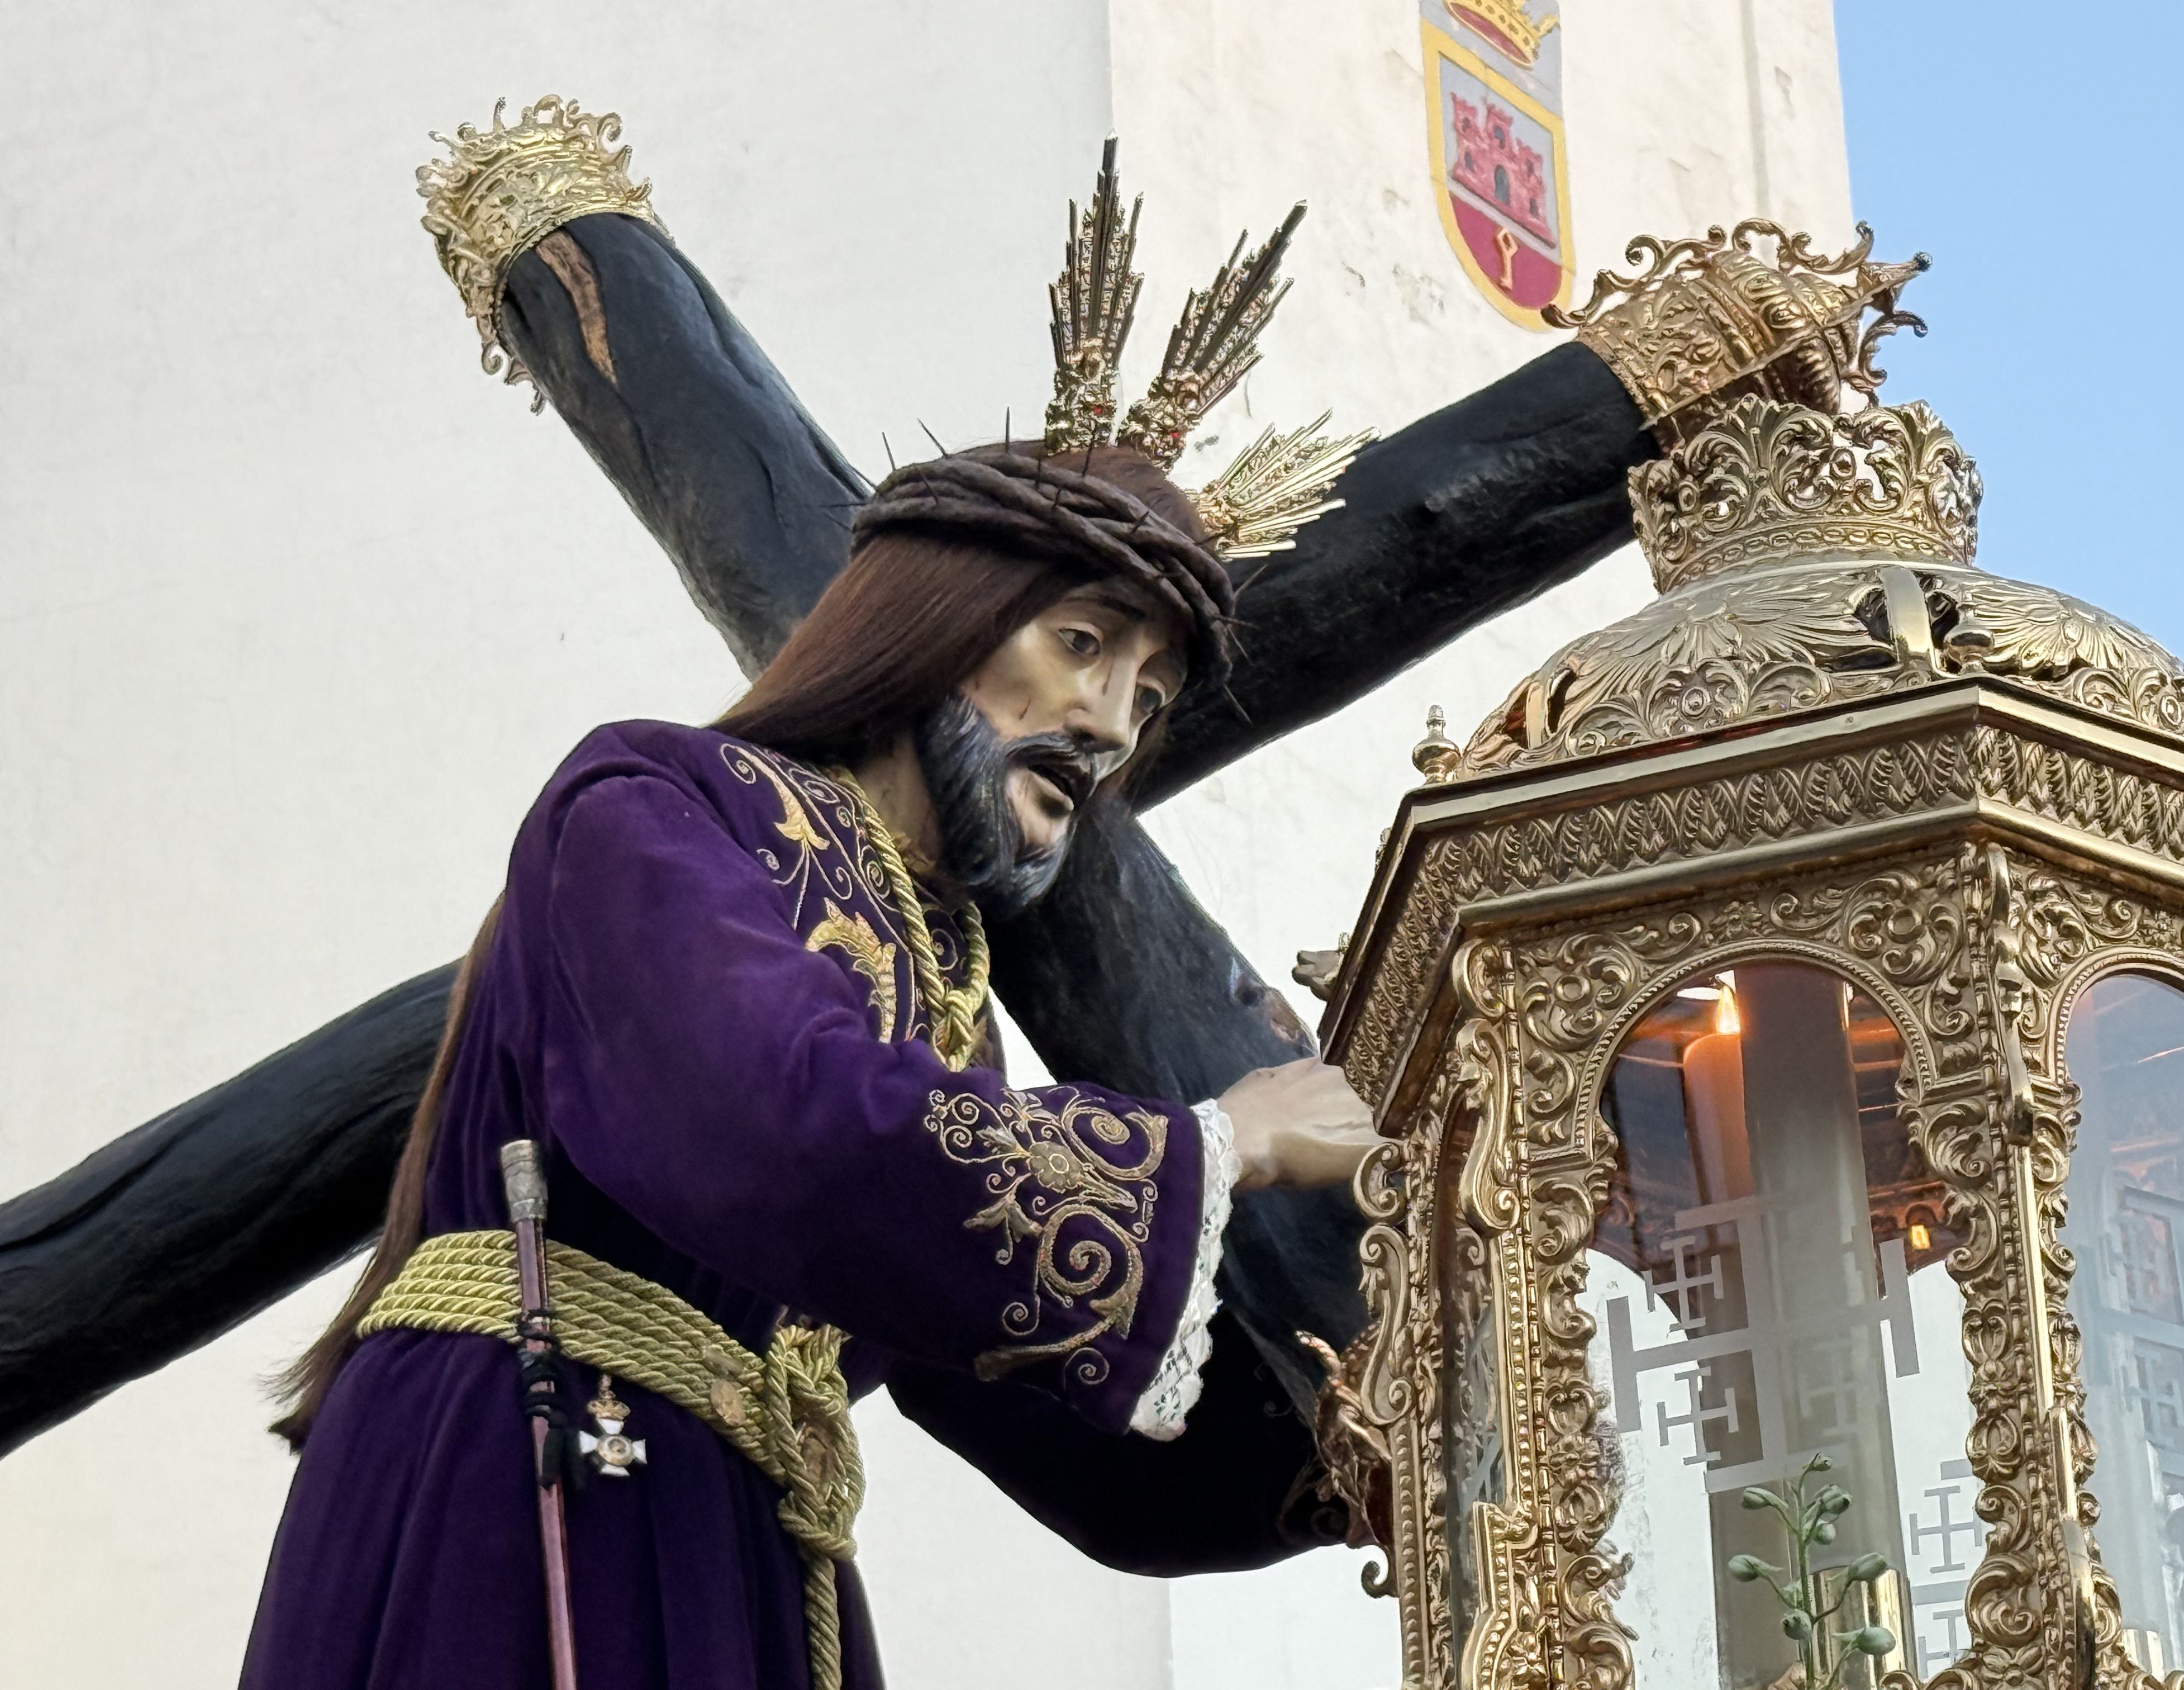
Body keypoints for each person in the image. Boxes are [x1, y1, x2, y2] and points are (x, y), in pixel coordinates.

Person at [244, 141, 1384, 1687]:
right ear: (938, 621)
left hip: (740, 1534)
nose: (1113, 721)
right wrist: (1219, 1141)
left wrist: (1343, 1427)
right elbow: (780, 1128)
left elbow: (1050, 1421)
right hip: (525, 1475)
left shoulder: (946, 1008)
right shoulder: (649, 804)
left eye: (1152, 690)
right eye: (1083, 640)